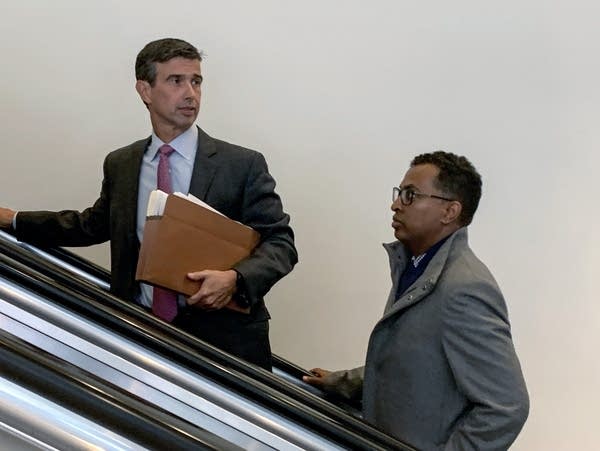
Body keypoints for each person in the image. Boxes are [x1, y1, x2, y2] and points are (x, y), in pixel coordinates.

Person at [0, 38, 297, 371]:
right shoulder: (122, 163)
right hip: (139, 341)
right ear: (145, 90)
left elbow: (281, 243)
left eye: (196, 81)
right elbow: (90, 225)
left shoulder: (241, 164)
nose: (191, 93)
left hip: (224, 348)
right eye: (176, 81)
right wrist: (14, 220)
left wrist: (235, 279)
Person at [303, 151, 528, 450]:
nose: (395, 204)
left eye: (410, 195)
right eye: (399, 193)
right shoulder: (416, 266)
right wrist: (342, 382)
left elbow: (507, 407)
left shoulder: (465, 289)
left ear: (449, 212)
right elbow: (415, 364)